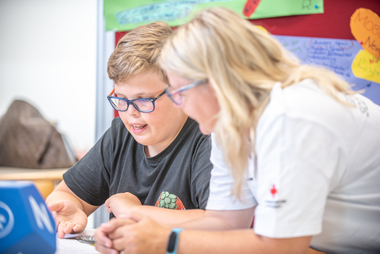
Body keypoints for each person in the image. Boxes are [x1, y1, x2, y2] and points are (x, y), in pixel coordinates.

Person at [93, 7, 380, 254]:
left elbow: (283, 247)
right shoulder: (230, 125)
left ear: (216, 83)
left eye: (179, 92)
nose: (179, 104)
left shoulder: (291, 116)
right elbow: (226, 223)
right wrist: (136, 232)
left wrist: (167, 241)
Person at [45, 21, 213, 245]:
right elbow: (67, 194)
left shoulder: (207, 139)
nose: (130, 113)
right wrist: (70, 208)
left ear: (178, 90)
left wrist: (134, 211)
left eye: (143, 100)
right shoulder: (120, 136)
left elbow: (218, 223)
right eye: (121, 99)